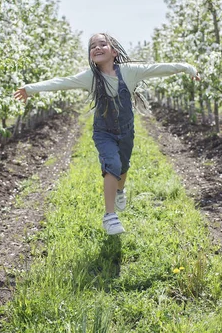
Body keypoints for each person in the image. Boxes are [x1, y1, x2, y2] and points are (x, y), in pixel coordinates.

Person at [13, 33, 199, 235]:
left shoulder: (129, 72)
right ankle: (110, 217)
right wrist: (30, 89)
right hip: (104, 132)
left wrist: (186, 67)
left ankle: (120, 190)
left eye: (103, 44)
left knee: (124, 166)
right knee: (113, 165)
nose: (97, 48)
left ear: (114, 51)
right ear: (91, 55)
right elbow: (62, 82)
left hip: (126, 131)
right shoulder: (90, 77)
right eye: (93, 46)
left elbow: (158, 68)